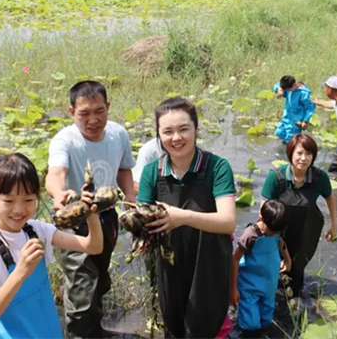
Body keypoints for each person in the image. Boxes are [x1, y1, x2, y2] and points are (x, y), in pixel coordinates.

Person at [0, 153, 103, 339]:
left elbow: (93, 246)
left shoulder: (36, 230)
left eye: (28, 200)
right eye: (8, 201)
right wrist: (20, 271)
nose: (19, 210)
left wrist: (91, 215)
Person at [137, 96, 236, 338]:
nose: (176, 138)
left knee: (206, 325)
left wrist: (183, 217)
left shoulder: (217, 167)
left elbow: (227, 222)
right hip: (169, 263)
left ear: (196, 129)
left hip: (209, 261)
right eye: (167, 131)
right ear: (158, 135)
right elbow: (141, 218)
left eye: (184, 129)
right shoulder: (152, 172)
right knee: (174, 325)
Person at [46, 80, 136, 338]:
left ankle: (94, 330)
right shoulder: (65, 140)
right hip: (77, 223)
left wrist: (129, 194)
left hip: (107, 218)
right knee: (82, 288)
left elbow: (124, 168)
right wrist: (59, 193)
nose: (93, 119)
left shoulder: (118, 134)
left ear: (108, 107)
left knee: (100, 280)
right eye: (84, 113)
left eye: (99, 111)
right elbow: (56, 172)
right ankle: (80, 334)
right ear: (71, 112)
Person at [260, 134, 337, 304]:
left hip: (307, 228)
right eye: (299, 153)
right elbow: (263, 209)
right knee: (275, 263)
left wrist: (334, 225)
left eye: (308, 154)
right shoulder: (276, 177)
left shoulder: (319, 178)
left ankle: (294, 296)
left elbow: (330, 198)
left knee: (298, 265)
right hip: (279, 227)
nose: (303, 158)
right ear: (290, 154)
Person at [230, 200, 291, 338]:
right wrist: (233, 289)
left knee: (266, 318)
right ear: (261, 218)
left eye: (276, 232)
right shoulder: (251, 234)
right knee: (250, 323)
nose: (273, 235)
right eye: (271, 231)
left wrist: (287, 259)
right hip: (250, 285)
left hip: (269, 283)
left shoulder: (275, 231)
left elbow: (281, 243)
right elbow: (235, 259)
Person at [273, 75, 316, 144]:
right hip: (286, 117)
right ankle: (285, 146)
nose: (286, 91)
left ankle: (289, 151)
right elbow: (276, 86)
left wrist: (305, 120)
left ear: (293, 85)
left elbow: (310, 107)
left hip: (295, 121)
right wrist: (279, 90)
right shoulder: (288, 88)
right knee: (279, 132)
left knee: (290, 140)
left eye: (287, 90)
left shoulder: (303, 93)